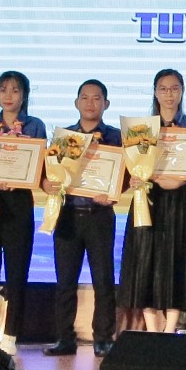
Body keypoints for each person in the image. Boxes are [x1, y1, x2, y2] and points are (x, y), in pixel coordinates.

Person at [121, 69, 186, 334]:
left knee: (177, 259)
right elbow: (130, 167)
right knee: (146, 259)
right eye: (163, 89)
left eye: (175, 88)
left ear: (182, 91)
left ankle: (170, 330)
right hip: (147, 199)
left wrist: (177, 180)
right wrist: (137, 177)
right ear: (155, 92)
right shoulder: (141, 129)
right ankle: (153, 330)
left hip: (179, 201)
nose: (169, 94)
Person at [49, 79, 121, 356]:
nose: (91, 103)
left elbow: (126, 175)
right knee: (65, 281)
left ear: (106, 104)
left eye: (97, 98)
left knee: (103, 279)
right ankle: (64, 338)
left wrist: (114, 193)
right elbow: (49, 174)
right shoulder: (64, 138)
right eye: (85, 98)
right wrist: (48, 185)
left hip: (100, 215)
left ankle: (103, 338)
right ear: (76, 102)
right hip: (67, 214)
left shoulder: (115, 138)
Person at [0, 71, 44, 351]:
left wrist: (19, 179)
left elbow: (38, 165)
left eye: (15, 90)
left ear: (24, 95)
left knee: (17, 272)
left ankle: (11, 335)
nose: (8, 95)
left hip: (19, 204)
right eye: (3, 89)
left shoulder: (35, 126)